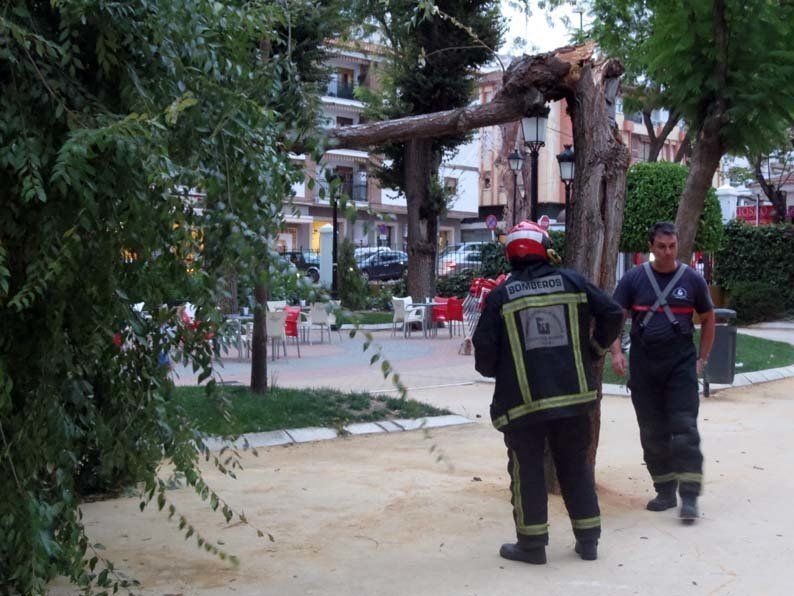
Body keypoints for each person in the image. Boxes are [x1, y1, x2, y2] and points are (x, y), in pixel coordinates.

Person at [473, 220, 624, 564]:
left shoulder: (501, 296)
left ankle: (532, 545)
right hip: (573, 401)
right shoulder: (572, 282)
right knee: (575, 467)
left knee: (527, 471)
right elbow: (613, 312)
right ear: (545, 248)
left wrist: (502, 371)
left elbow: (483, 352)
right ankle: (588, 541)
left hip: (523, 406)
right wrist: (595, 349)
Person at [610, 221, 715, 523]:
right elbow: (615, 319)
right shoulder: (633, 280)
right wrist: (616, 352)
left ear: (677, 245)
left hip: (680, 363)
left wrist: (702, 359)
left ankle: (690, 497)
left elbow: (708, 319)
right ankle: (665, 491)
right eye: (661, 247)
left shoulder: (692, 280)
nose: (668, 253)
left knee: (685, 430)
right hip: (644, 364)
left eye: (672, 247)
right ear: (651, 247)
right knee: (652, 433)